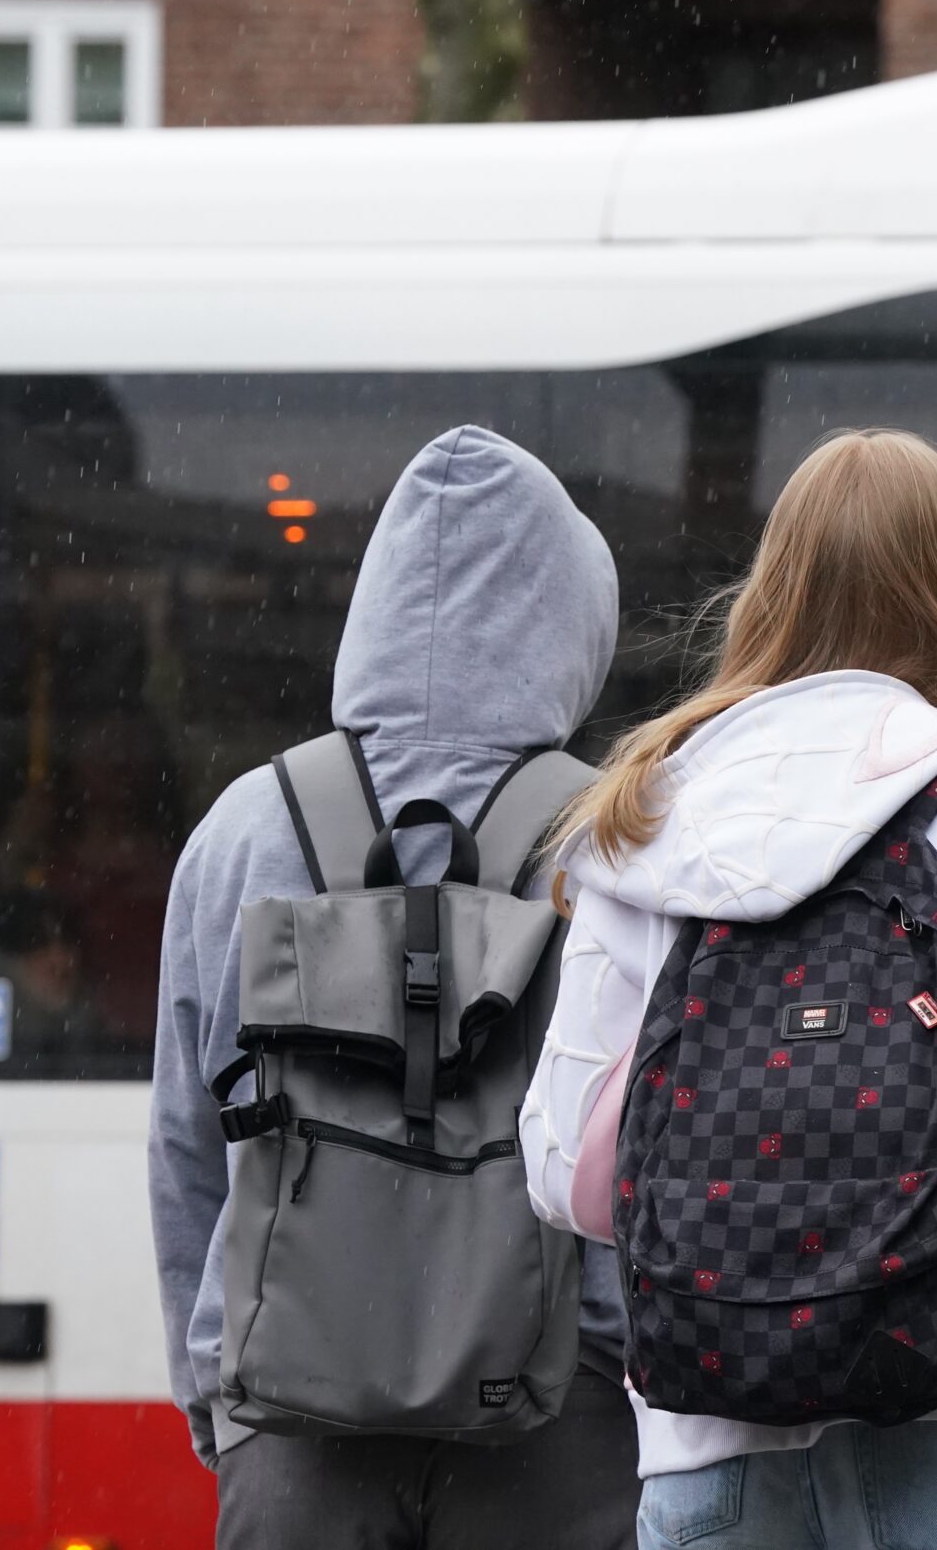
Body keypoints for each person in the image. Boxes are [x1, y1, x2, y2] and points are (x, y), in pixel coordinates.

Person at [517, 427, 937, 1550]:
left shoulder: (646, 820)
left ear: (771, 594)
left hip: (705, 1436)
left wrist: (749, 1257)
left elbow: (564, 1169)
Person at [149, 425, 641, 1547]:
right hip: (558, 1410)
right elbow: (656, 1144)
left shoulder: (240, 829)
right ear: (568, 622)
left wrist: (214, 1391)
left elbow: (187, 1142)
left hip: (292, 1416)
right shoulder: (620, 837)